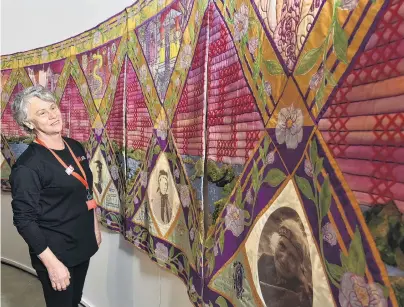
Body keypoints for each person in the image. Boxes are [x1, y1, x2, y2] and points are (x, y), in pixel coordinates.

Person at [9, 85, 101, 307]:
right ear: (29, 123)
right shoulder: (28, 167)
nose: (52, 115)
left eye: (52, 107)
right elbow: (24, 220)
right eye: (42, 113)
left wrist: (95, 226)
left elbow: (86, 188)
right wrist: (52, 264)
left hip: (82, 244)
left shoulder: (74, 146)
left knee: (75, 300)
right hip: (56, 253)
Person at [258, 219, 313, 307]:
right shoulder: (264, 261)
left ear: (300, 267)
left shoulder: (300, 297)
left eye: (292, 257)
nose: (283, 259)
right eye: (282, 246)